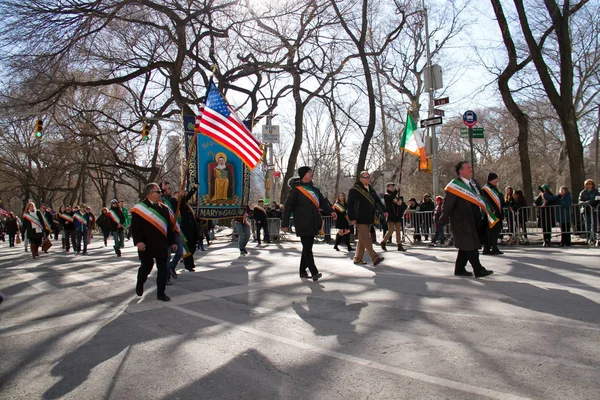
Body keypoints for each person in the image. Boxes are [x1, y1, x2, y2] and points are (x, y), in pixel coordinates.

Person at [439, 161, 494, 278]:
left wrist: (489, 209)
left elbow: (481, 198)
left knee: (466, 245)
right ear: (460, 171)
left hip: (474, 219)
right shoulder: (454, 185)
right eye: (468, 168)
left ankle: (459, 269)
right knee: (470, 244)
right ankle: (478, 269)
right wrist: (444, 216)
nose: (470, 169)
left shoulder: (473, 184)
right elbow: (447, 203)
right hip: (461, 221)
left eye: (470, 167)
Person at [282, 166, 336, 281]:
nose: (311, 174)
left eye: (311, 172)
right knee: (307, 247)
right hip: (302, 222)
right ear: (303, 174)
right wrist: (285, 224)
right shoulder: (296, 190)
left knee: (307, 247)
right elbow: (287, 208)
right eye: (309, 172)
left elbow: (323, 202)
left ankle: (302, 271)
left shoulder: (315, 190)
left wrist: (331, 211)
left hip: (314, 221)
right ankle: (314, 271)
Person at [132, 182, 177, 301]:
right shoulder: (140, 209)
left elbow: (169, 227)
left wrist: (172, 242)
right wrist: (138, 242)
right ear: (149, 194)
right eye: (158, 192)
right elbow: (135, 228)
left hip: (161, 244)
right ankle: (140, 282)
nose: (160, 194)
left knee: (163, 268)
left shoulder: (164, 208)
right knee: (147, 266)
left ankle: (161, 293)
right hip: (146, 243)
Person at [347, 171, 387, 266]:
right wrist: (352, 218)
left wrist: (384, 211)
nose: (367, 178)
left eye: (368, 177)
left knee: (362, 239)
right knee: (367, 238)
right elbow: (350, 205)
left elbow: (377, 201)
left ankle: (357, 258)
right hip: (359, 217)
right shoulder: (355, 190)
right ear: (360, 178)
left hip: (369, 217)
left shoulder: (371, 189)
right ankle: (374, 257)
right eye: (365, 177)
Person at [174, 185, 199, 272]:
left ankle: (188, 263)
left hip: (192, 228)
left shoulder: (186, 203)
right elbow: (184, 200)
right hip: (186, 228)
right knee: (188, 248)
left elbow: (187, 197)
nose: (185, 194)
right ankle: (188, 265)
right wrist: (182, 196)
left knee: (192, 247)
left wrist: (194, 188)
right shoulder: (180, 204)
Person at [481, 172, 505, 255]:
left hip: (497, 212)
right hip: (490, 213)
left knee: (495, 231)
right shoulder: (485, 189)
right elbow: (485, 201)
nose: (497, 180)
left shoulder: (494, 188)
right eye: (496, 179)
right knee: (490, 231)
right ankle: (490, 248)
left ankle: (492, 247)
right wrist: (491, 210)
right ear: (491, 179)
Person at [381, 183, 406, 252]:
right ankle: (383, 242)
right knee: (391, 230)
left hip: (397, 215)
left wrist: (400, 202)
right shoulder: (386, 195)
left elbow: (399, 203)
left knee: (398, 230)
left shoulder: (395, 196)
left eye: (393, 187)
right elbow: (390, 198)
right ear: (388, 188)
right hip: (391, 215)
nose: (392, 188)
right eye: (391, 187)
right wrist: (396, 191)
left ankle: (399, 245)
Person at [578, 179, 599, 244]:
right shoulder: (583, 192)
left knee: (594, 224)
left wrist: (590, 202)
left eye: (590, 184)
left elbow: (597, 199)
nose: (589, 185)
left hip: (594, 209)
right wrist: (584, 203)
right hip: (586, 210)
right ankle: (588, 237)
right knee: (587, 224)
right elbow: (580, 201)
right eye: (587, 184)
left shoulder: (596, 191)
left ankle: (594, 236)